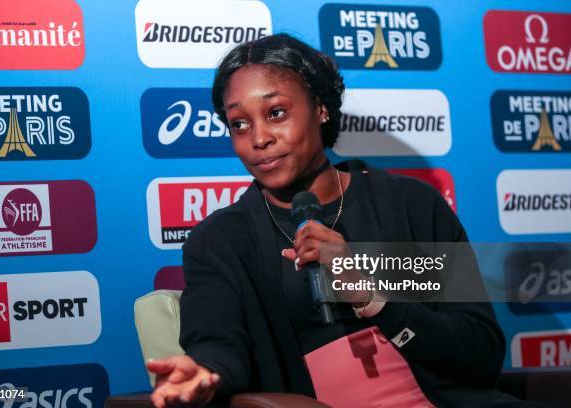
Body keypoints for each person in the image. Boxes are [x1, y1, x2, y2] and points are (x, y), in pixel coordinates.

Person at [147, 34, 532, 408]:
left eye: (276, 113)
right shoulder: (221, 241)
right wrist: (202, 373)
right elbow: (220, 347)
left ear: (320, 107)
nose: (259, 138)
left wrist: (376, 301)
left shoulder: (411, 206)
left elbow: (481, 353)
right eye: (239, 124)